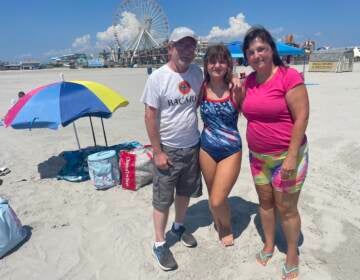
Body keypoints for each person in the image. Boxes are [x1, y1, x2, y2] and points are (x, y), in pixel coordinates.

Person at [241, 26, 309, 280]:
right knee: (266, 203)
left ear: (272, 50)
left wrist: (292, 155)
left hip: (287, 157)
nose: (257, 55)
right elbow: (245, 110)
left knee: (287, 208)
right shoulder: (248, 81)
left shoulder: (288, 77)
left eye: (261, 49)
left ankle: (292, 253)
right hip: (258, 157)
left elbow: (302, 116)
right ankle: (269, 244)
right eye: (251, 52)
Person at [141, 26, 203, 271]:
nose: (187, 50)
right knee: (162, 199)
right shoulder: (157, 77)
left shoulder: (197, 73)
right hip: (168, 148)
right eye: (181, 45)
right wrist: (157, 151)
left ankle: (178, 227)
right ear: (170, 48)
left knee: (185, 192)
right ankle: (158, 243)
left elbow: (196, 102)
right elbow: (149, 116)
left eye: (191, 46)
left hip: (192, 146)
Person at [198, 44, 243, 246]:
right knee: (212, 194)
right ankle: (220, 218)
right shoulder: (200, 88)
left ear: (228, 64)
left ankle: (225, 227)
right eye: (212, 61)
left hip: (231, 150)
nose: (217, 65)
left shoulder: (236, 88)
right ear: (206, 64)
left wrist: (237, 80)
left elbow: (254, 108)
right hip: (206, 148)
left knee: (217, 199)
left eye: (222, 60)